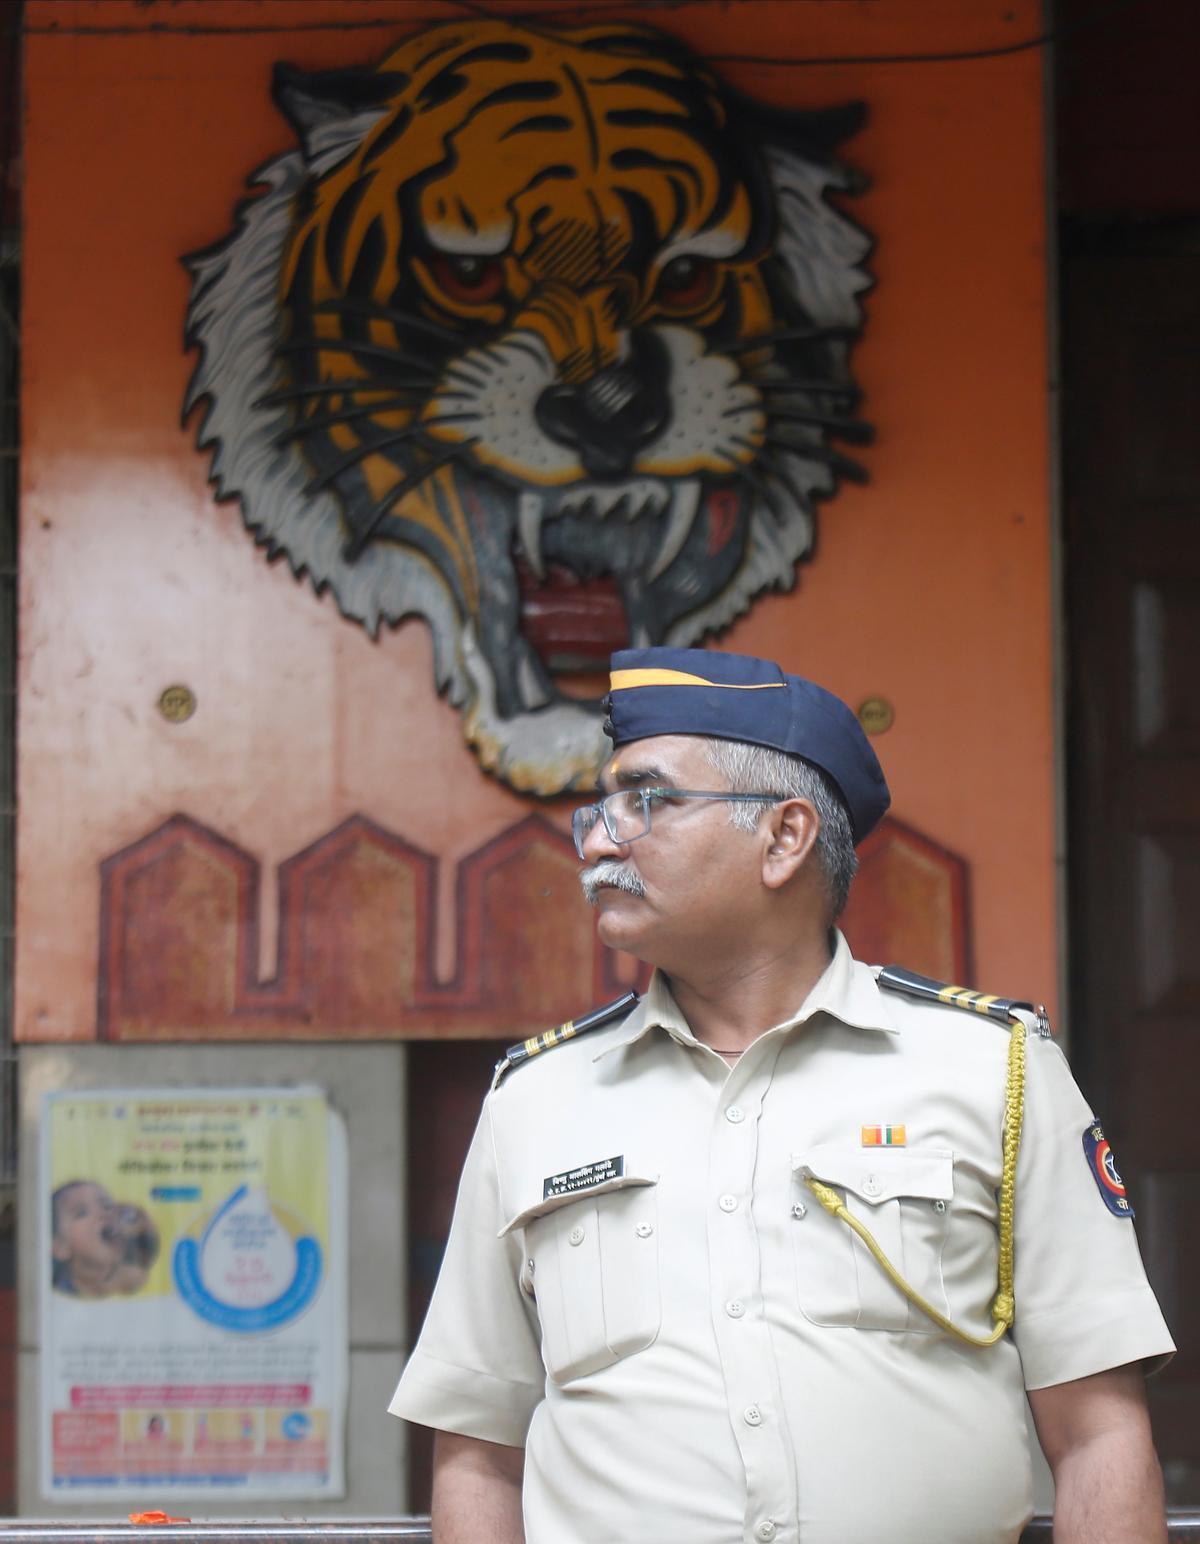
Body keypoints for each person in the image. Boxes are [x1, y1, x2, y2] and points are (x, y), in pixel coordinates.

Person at [389, 646, 1174, 1544]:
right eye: (600, 811)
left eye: (645, 801)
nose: (600, 840)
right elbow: (478, 1451)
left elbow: (1096, 1433)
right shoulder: (535, 1099)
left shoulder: (994, 1068)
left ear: (785, 838)